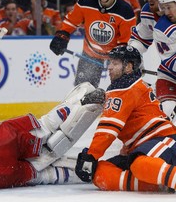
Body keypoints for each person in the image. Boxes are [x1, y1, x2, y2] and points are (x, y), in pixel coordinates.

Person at [75, 45, 176, 192]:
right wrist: (105, 98)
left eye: (115, 63)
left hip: (163, 140)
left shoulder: (123, 88)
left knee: (138, 165)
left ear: (128, 67)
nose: (109, 67)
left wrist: (91, 155)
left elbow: (108, 129)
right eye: (110, 63)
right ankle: (155, 184)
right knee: (99, 171)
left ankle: (167, 179)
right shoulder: (132, 86)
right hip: (148, 145)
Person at [49, 0, 136, 88]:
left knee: (121, 90)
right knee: (81, 91)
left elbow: (126, 40)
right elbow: (71, 21)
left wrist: (121, 60)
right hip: (91, 53)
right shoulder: (86, 1)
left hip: (115, 56)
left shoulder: (125, 10)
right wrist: (62, 35)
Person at [128, 0, 176, 123]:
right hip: (169, 75)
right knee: (165, 112)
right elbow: (140, 38)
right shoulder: (151, 16)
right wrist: (132, 56)